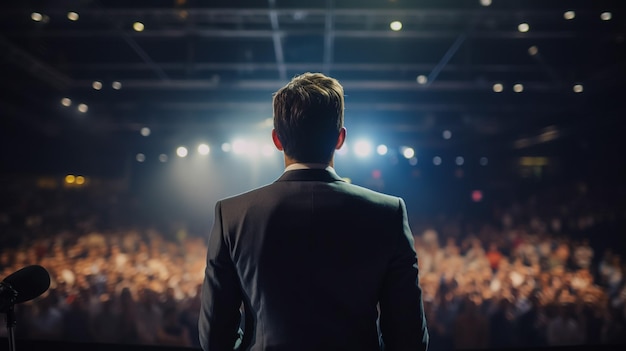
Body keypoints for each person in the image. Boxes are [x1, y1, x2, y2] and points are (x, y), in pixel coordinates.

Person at [198, 72, 429, 351]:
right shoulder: (388, 213)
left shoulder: (232, 214)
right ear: (340, 138)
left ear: (277, 139)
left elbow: (214, 339)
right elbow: (409, 338)